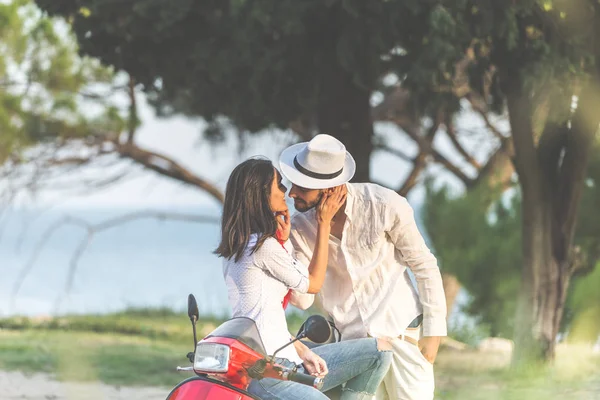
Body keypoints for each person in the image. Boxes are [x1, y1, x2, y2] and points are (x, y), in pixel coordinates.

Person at [279, 135, 447, 400]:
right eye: (293, 184)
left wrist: (434, 336)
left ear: (331, 189)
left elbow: (424, 265)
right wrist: (290, 240)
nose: (292, 193)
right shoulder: (300, 228)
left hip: (403, 337)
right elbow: (302, 299)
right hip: (354, 348)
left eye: (302, 187)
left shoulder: (385, 205)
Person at [215, 158, 392, 400]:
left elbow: (264, 319)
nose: (286, 191)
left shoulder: (247, 246)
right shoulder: (261, 247)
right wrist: (324, 224)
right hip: (267, 373)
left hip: (287, 361)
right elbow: (313, 283)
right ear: (261, 195)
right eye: (279, 185)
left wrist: (301, 350)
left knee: (379, 351)